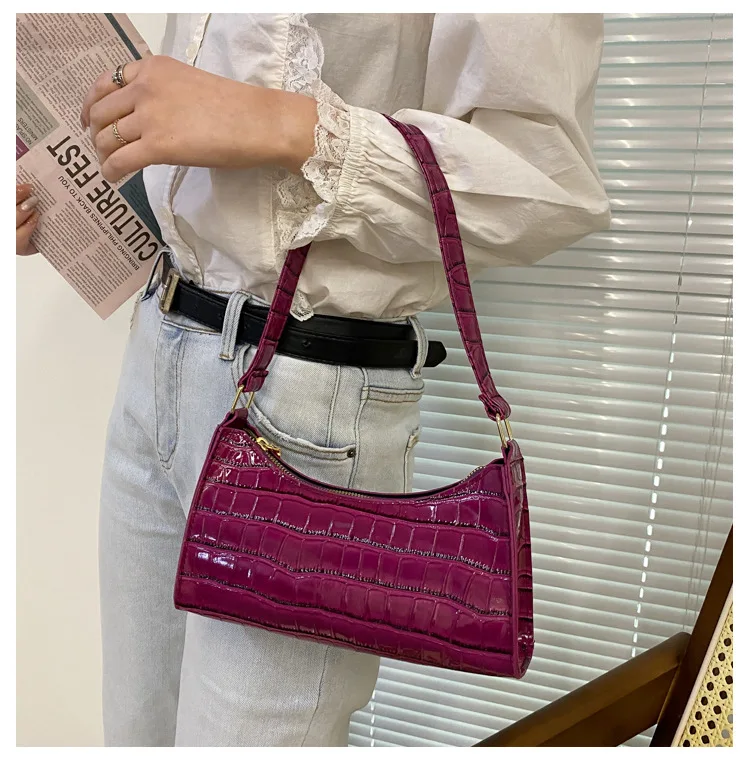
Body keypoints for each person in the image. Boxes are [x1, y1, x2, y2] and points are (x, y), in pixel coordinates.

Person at [16, 13, 610, 747]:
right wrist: (73, 195)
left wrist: (281, 124)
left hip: (305, 405)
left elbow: (547, 180)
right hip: (157, 348)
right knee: (135, 734)